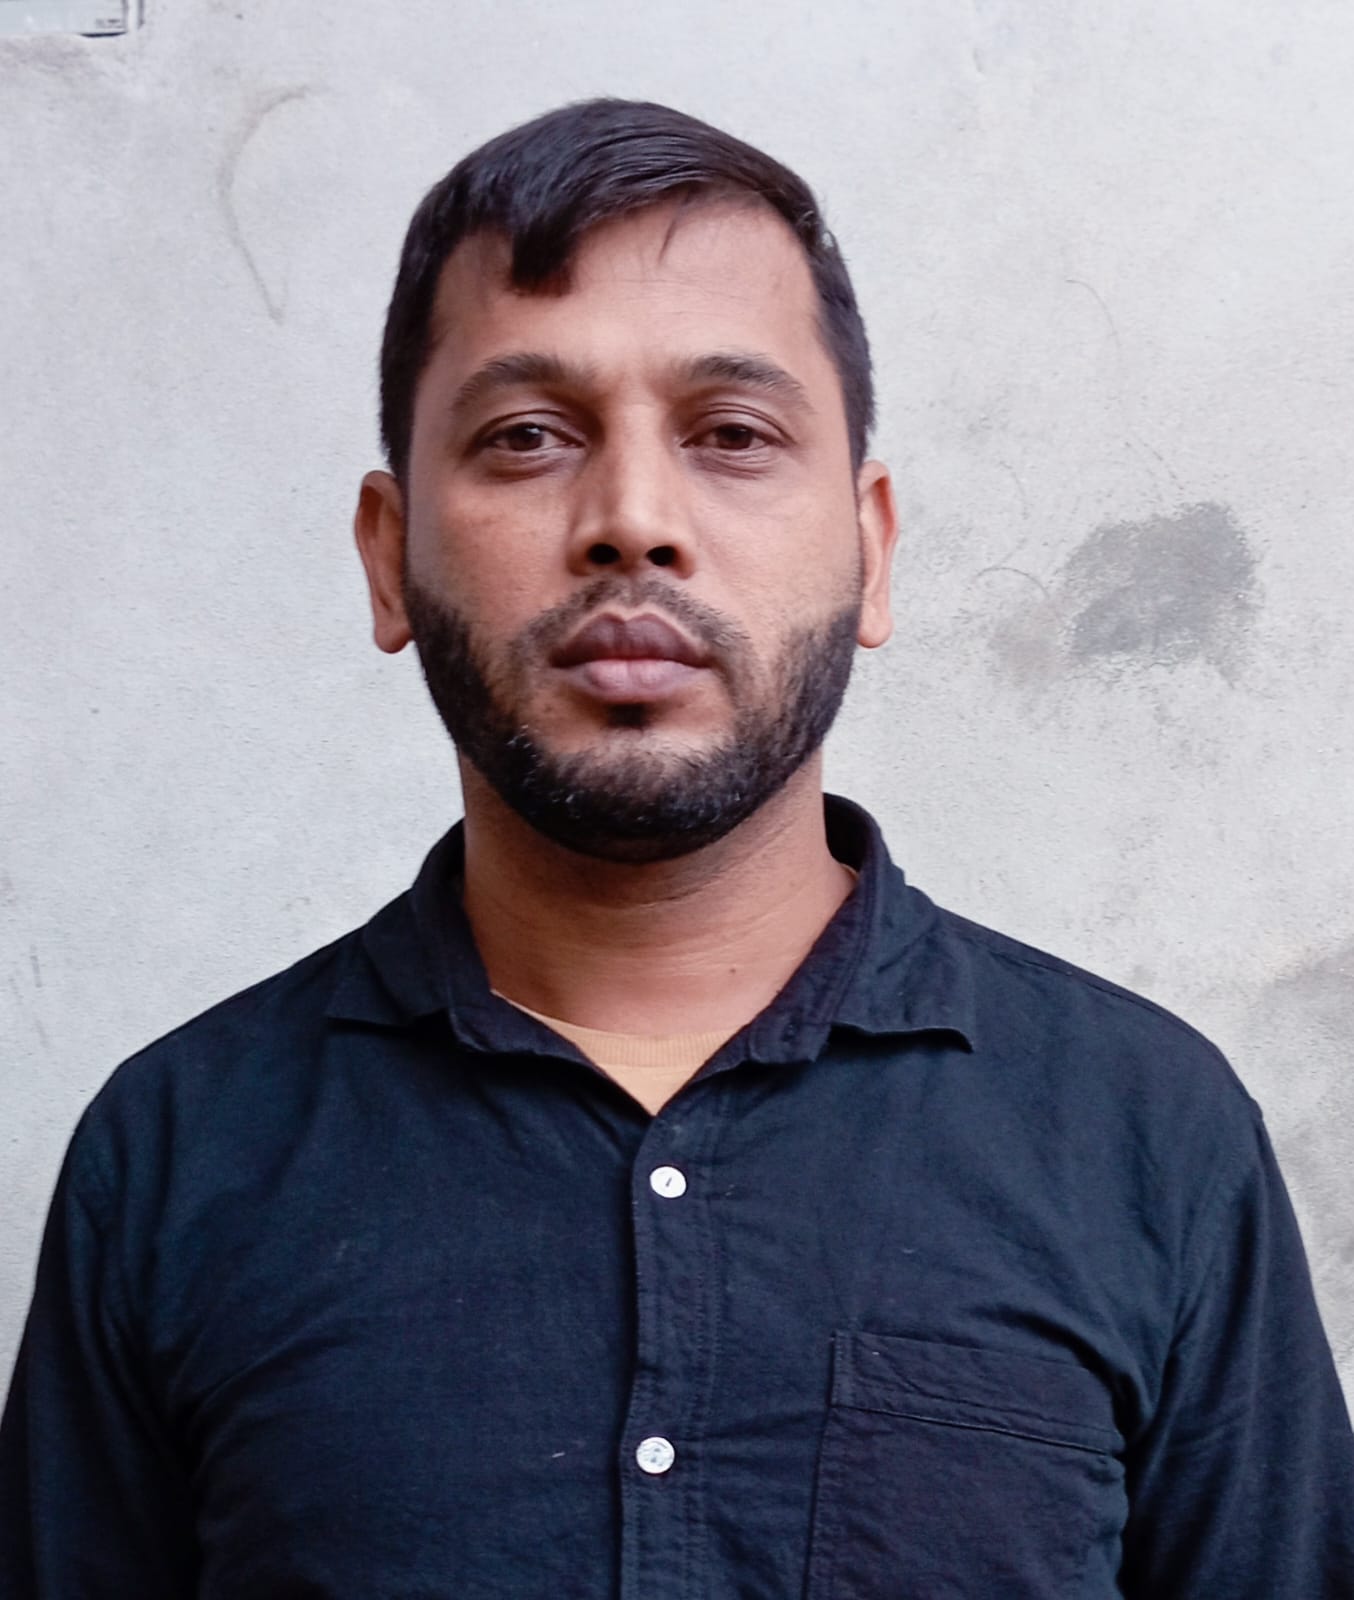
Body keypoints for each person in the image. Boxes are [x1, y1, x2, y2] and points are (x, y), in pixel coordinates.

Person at [2, 97, 1351, 1599]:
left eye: (732, 436)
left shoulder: (1146, 1134)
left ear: (870, 550)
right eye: (526, 436)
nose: (632, 521)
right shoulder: (178, 1153)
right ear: (389, 559)